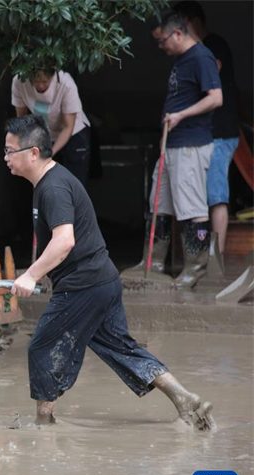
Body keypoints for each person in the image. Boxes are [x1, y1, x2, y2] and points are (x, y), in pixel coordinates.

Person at [5, 114, 215, 431]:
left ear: (33, 153)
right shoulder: (50, 182)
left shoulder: (53, 189)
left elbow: (64, 241)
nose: (5, 157)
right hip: (102, 281)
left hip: (84, 285)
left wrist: (31, 275)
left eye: (9, 151)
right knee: (122, 348)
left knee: (41, 347)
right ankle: (185, 399)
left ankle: (43, 424)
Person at [122, 12, 222, 289]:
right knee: (159, 204)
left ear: (178, 34)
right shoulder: (181, 59)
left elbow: (216, 98)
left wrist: (180, 116)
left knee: (191, 208)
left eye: (162, 40)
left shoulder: (202, 57)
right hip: (173, 144)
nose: (161, 46)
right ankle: (152, 262)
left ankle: (196, 267)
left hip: (190, 145)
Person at [175, 1, 240, 261]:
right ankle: (203, 257)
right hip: (205, 134)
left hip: (220, 133)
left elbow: (209, 82)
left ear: (192, 21)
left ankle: (216, 258)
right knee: (202, 196)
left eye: (181, 25)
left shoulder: (213, 46)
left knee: (215, 194)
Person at [12, 69, 93, 184]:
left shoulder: (65, 83)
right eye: (36, 81)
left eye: (45, 81)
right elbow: (22, 119)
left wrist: (49, 152)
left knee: (73, 182)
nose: (40, 85)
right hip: (43, 134)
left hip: (72, 132)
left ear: (52, 76)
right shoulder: (20, 81)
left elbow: (68, 127)